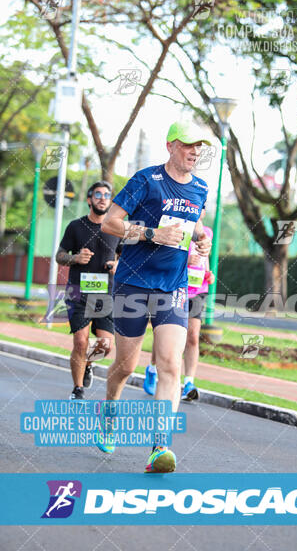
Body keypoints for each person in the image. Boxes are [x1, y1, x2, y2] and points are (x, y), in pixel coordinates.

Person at [99, 121, 212, 473]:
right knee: (126, 366)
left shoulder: (201, 188)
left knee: (170, 364)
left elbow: (195, 226)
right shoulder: (146, 181)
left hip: (174, 286)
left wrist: (200, 240)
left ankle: (159, 447)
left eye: (199, 147)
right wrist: (151, 233)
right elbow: (110, 223)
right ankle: (110, 410)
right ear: (171, 146)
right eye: (188, 145)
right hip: (133, 283)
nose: (195, 152)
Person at [56, 181, 121, 401]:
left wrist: (117, 264)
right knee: (81, 342)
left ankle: (88, 365)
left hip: (106, 295)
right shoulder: (76, 226)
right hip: (78, 292)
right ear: (89, 199)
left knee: (105, 346)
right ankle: (77, 389)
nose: (103, 198)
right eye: (98, 194)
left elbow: (125, 257)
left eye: (107, 195)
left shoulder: (117, 228)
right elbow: (59, 255)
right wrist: (75, 258)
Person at [143, 211, 214, 402]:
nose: (200, 211)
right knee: (164, 335)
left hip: (197, 288)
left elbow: (204, 256)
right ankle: (152, 369)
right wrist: (186, 261)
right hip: (174, 287)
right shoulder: (176, 226)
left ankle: (189, 382)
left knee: (192, 336)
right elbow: (165, 256)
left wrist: (209, 272)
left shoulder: (206, 231)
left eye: (203, 207)